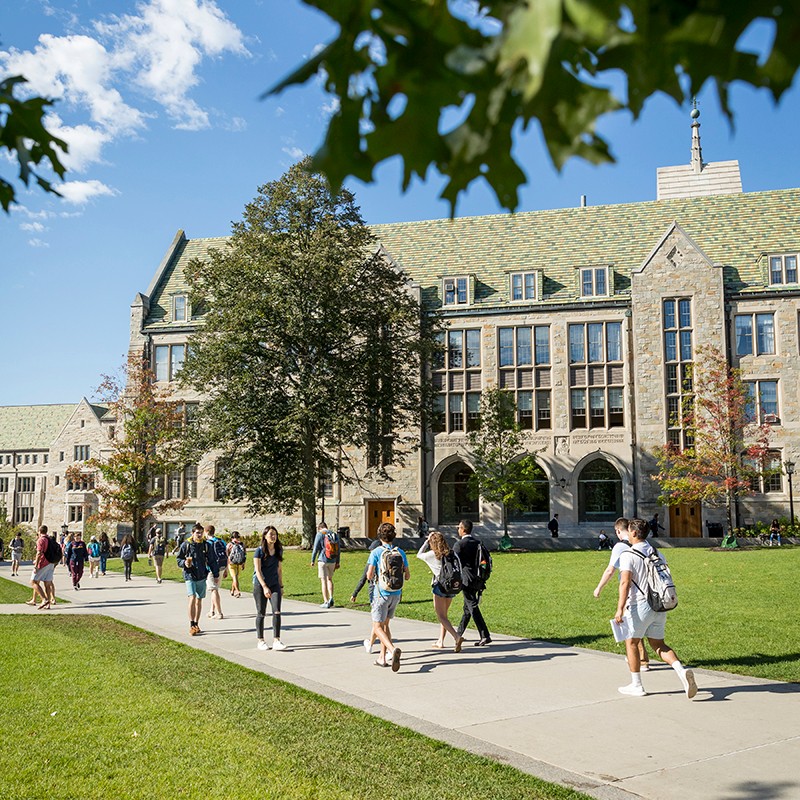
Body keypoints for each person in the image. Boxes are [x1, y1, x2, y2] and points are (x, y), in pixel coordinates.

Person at [615, 518, 697, 699]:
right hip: (659, 605)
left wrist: (620, 608)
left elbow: (625, 583)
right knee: (658, 644)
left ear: (635, 533)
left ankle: (636, 684)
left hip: (639, 604)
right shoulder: (657, 553)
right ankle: (681, 671)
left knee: (632, 642)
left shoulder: (628, 555)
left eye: (629, 530)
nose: (628, 534)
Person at [593, 517, 650, 670]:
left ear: (618, 530)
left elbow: (610, 570)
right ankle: (642, 657)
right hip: (646, 588)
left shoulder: (620, 546)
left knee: (629, 624)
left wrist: (599, 587)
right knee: (638, 623)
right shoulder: (642, 542)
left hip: (631, 589)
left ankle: (639, 660)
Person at [366, 522, 409, 670]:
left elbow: (369, 574)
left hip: (381, 593)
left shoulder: (376, 552)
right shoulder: (401, 552)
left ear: (380, 536)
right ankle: (381, 658)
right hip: (396, 593)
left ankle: (392, 649)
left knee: (377, 626)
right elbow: (407, 575)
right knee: (385, 625)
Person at [417, 532, 464, 651]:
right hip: (452, 586)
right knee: (445, 615)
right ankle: (440, 641)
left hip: (440, 587)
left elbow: (419, 554)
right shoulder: (452, 553)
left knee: (441, 616)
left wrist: (426, 542)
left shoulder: (432, 555)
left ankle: (456, 637)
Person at [454, 519, 491, 646]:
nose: (458, 529)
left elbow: (454, 562)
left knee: (472, 606)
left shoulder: (460, 545)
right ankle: (458, 634)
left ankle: (485, 635)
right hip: (479, 578)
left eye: (459, 527)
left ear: (463, 529)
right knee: (467, 608)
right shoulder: (478, 543)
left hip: (466, 580)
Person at [176, 523, 218, 635]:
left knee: (199, 600)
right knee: (192, 597)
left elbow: (212, 560)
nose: (199, 535)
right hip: (190, 575)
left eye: (201, 532)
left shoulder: (206, 545)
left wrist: (216, 574)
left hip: (202, 575)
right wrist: (184, 563)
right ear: (192, 533)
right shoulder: (186, 545)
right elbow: (179, 559)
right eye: (197, 533)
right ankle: (191, 624)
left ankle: (196, 623)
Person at [252, 526, 286, 651]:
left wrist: (280, 585)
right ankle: (260, 640)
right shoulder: (259, 551)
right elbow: (258, 570)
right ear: (265, 536)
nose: (273, 537)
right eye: (271, 534)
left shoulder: (278, 550)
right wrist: (265, 587)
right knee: (261, 613)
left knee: (277, 611)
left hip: (274, 584)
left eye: (275, 534)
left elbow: (279, 569)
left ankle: (277, 640)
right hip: (260, 585)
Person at [310, 522, 340, 608]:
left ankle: (326, 601)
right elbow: (338, 550)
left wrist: (312, 560)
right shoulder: (334, 534)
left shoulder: (320, 534)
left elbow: (315, 548)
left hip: (322, 559)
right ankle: (331, 597)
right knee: (329, 579)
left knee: (323, 580)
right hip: (332, 559)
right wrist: (338, 561)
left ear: (319, 528)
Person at [29, 525, 55, 610]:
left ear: (39, 531)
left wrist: (36, 565)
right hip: (51, 563)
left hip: (43, 563)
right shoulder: (50, 539)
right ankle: (48, 605)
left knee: (33, 582)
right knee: (47, 583)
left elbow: (39, 553)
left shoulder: (41, 540)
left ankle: (44, 599)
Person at [205, 526, 228, 619]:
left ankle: (219, 612)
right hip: (221, 567)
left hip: (211, 569)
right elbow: (226, 554)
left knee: (213, 590)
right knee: (215, 590)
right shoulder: (221, 541)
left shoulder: (207, 543)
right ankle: (212, 611)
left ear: (206, 532)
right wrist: (226, 569)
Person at [226, 531, 247, 597]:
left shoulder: (229, 545)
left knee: (234, 578)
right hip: (239, 563)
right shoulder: (242, 544)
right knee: (235, 578)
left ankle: (233, 590)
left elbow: (226, 555)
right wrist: (243, 563)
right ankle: (237, 591)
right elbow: (244, 554)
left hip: (231, 563)